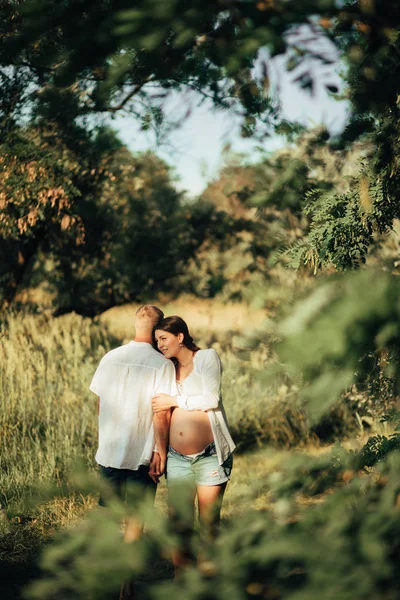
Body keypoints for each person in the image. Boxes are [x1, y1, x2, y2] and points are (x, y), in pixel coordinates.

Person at [89, 305, 176, 598]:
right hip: (143, 453)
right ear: (157, 330)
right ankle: (126, 587)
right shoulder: (162, 364)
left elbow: (100, 404)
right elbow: (161, 413)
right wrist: (160, 451)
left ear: (136, 324)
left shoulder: (110, 357)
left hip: (111, 452)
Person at [152, 315, 235, 569]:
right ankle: (181, 582)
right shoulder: (167, 368)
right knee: (178, 522)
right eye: (156, 341)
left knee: (209, 523)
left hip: (208, 454)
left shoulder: (207, 358)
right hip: (177, 458)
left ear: (180, 337)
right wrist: (160, 451)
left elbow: (210, 398)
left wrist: (174, 400)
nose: (160, 345)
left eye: (163, 339)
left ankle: (207, 581)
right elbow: (159, 409)